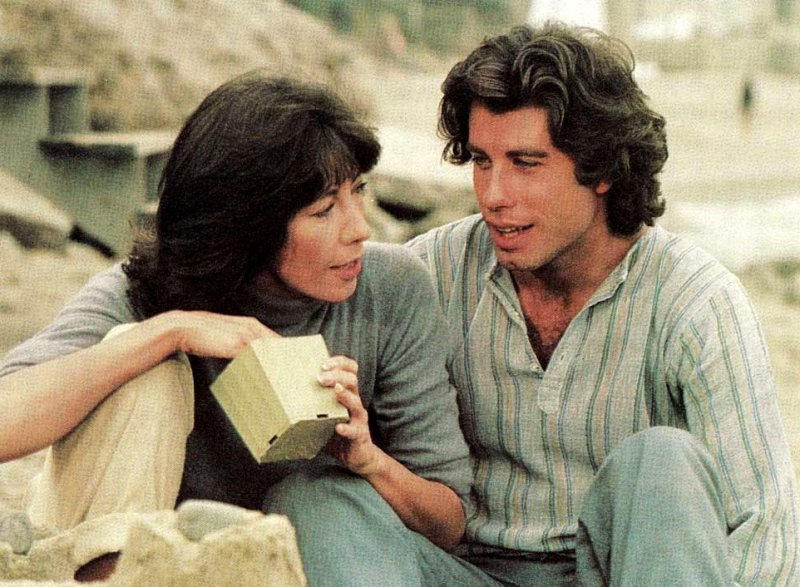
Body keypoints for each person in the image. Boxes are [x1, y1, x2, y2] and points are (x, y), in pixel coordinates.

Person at [0, 71, 472, 585]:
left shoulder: (392, 287)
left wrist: (367, 459)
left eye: (359, 191)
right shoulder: (147, 289)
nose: (360, 228)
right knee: (143, 365)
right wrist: (170, 332)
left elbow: (448, 523)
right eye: (323, 211)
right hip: (118, 558)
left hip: (287, 566)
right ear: (250, 224)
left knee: (315, 496)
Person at [404, 23, 799, 586]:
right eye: (482, 161)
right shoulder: (429, 274)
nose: (493, 195)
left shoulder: (695, 300)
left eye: (526, 163)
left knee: (663, 461)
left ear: (604, 169)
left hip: (624, 574)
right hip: (460, 570)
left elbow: (766, 536)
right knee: (321, 497)